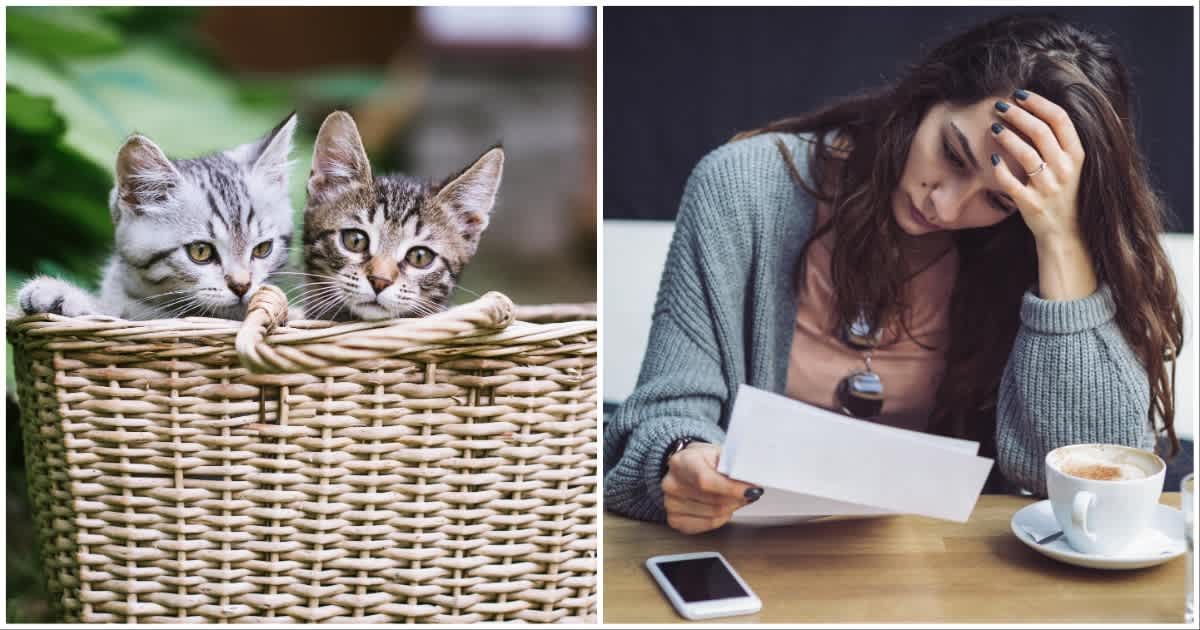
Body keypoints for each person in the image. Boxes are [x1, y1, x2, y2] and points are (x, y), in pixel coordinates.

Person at [603, 13, 1184, 535]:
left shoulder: (1022, 250)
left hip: (953, 583)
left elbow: (1088, 483)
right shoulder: (741, 189)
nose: (948, 207)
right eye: (953, 155)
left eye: (1000, 200)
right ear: (929, 95)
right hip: (753, 562)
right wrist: (679, 458)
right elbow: (662, 415)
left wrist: (1059, 239)